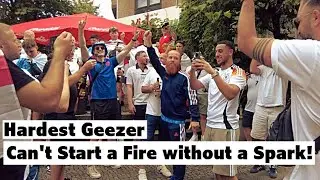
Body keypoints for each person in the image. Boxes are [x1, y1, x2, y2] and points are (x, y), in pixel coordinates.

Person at [237, 0, 320, 179]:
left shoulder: (313, 55)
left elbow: (246, 42)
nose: (296, 31)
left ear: (315, 17)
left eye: (297, 22)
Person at [0, 23, 73, 180]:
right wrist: (60, 54)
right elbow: (52, 101)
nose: (20, 44)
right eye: (14, 39)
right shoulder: (4, 68)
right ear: (1, 45)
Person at [78, 18, 140, 179]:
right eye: (97, 48)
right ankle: (90, 164)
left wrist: (133, 39)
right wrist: (80, 31)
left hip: (112, 101)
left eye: (101, 48)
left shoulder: (110, 62)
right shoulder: (90, 63)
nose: (99, 49)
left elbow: (125, 52)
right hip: (98, 102)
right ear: (94, 51)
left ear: (105, 50)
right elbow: (84, 47)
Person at [144, 30, 200, 180]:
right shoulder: (164, 74)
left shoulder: (184, 78)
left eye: (176, 58)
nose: (173, 60)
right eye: (170, 58)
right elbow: (155, 61)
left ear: (179, 61)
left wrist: (195, 119)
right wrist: (149, 45)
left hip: (178, 123)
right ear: (166, 60)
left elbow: (193, 98)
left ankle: (178, 176)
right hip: (163, 120)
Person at [189, 40, 246, 180]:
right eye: (216, 52)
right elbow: (195, 85)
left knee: (229, 174)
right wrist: (192, 71)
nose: (217, 54)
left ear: (230, 52)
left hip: (225, 128)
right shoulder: (216, 72)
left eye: (220, 51)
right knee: (217, 170)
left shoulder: (237, 72)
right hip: (210, 126)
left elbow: (230, 94)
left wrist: (213, 73)